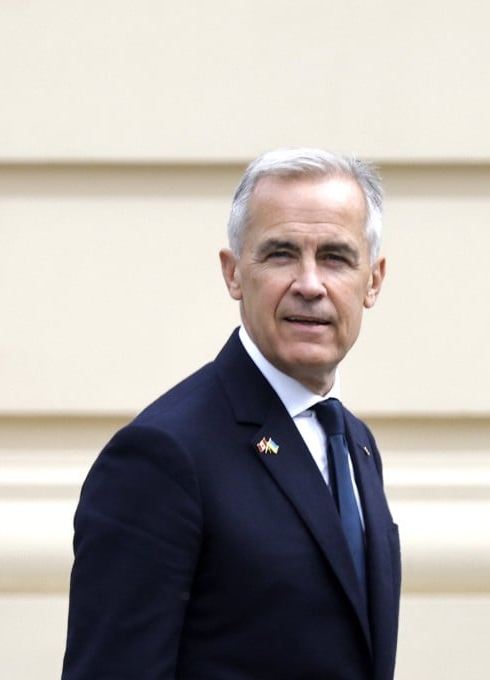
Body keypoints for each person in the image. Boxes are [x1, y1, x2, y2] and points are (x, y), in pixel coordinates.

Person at [63, 148, 401, 679]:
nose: (310, 284)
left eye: (335, 257)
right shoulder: (163, 455)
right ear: (234, 273)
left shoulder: (354, 443)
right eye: (281, 255)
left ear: (373, 281)